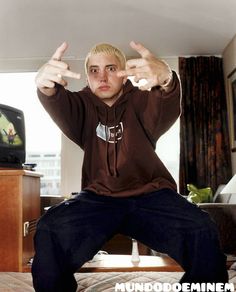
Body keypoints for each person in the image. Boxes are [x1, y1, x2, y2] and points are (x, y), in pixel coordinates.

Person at [32, 41, 228, 291]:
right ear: (88, 78)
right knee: (50, 226)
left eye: (111, 68)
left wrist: (167, 78)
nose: (102, 76)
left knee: (203, 227)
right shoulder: (80, 106)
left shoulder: (142, 101)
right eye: (94, 70)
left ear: (124, 75)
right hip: (98, 198)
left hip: (151, 195)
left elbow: (165, 101)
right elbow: (56, 100)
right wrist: (44, 86)